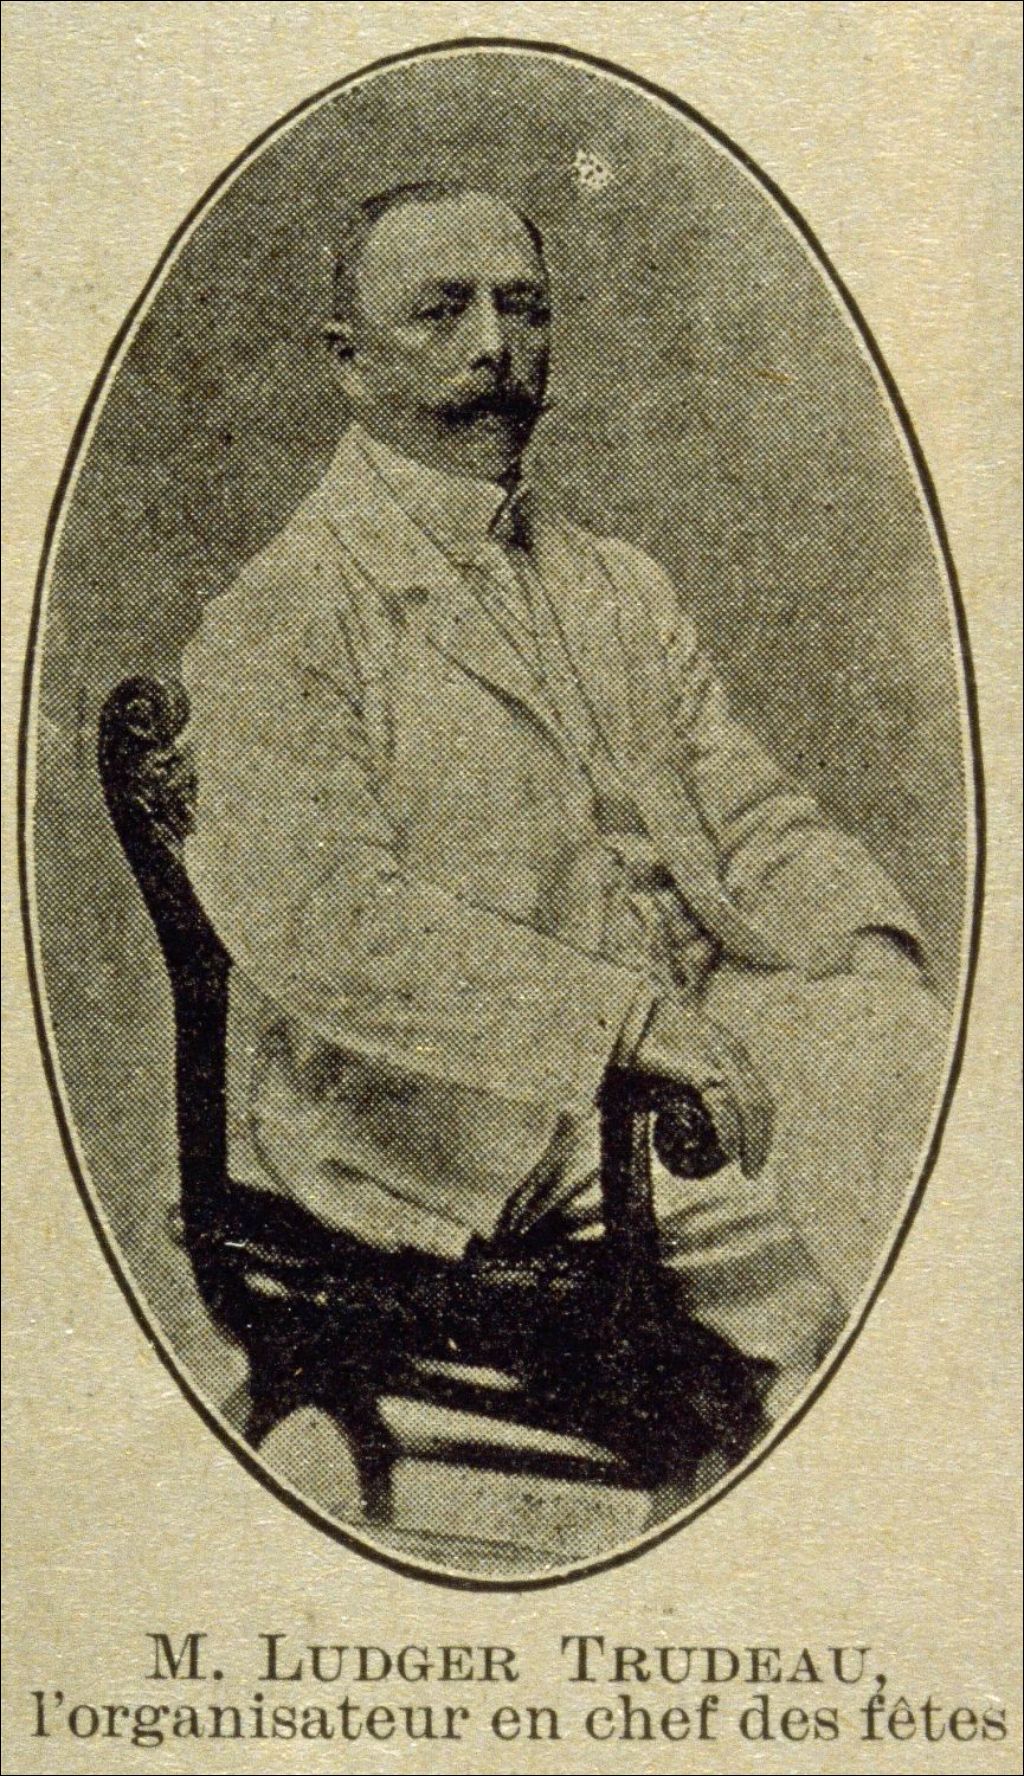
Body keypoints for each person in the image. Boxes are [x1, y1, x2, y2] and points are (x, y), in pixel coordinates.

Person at [181, 181, 947, 1438]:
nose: (494, 345)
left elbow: (746, 809)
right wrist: (626, 1021)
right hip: (447, 1108)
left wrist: (862, 949)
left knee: (933, 1092)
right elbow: (332, 922)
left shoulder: (615, 584)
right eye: (442, 311)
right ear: (348, 360)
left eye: (522, 307)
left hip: (688, 1036)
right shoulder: (281, 619)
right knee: (853, 1269)